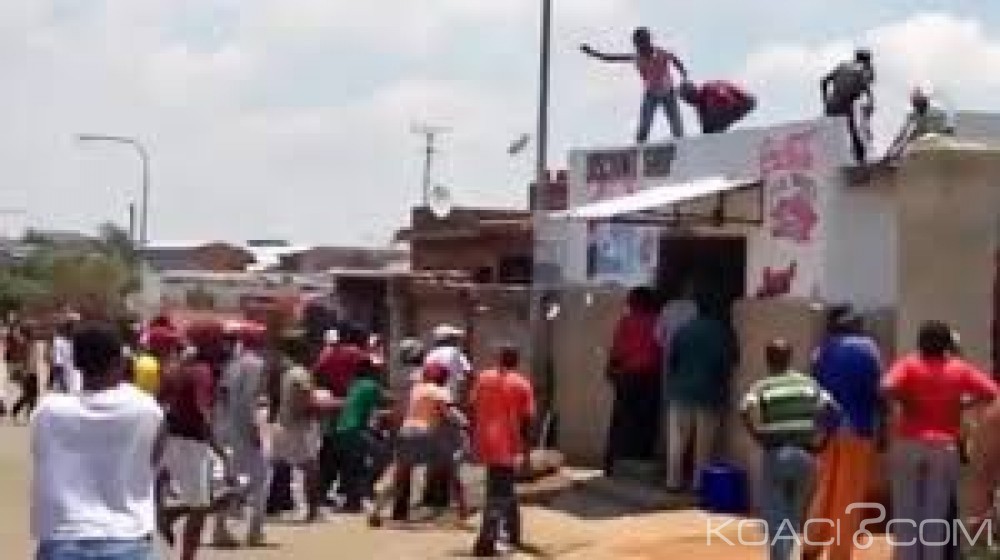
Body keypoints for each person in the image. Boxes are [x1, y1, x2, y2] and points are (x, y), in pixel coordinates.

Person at [31, 321, 164, 560]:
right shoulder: (147, 408)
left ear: (75, 363)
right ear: (120, 362)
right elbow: (154, 461)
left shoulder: (48, 410)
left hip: (63, 538)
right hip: (128, 537)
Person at [882, 321, 998, 560]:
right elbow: (991, 392)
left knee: (906, 512)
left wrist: (907, 401)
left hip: (909, 443)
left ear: (920, 342)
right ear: (947, 344)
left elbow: (886, 387)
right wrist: (962, 404)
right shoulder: (959, 368)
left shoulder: (908, 364)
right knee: (935, 514)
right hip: (943, 447)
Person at [741, 339, 836, 560]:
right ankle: (786, 555)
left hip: (776, 454)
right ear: (790, 358)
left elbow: (744, 409)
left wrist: (757, 435)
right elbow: (832, 409)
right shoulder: (809, 384)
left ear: (767, 359)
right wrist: (823, 441)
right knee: (794, 513)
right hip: (806, 455)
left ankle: (781, 557)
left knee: (775, 512)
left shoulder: (763, 386)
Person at [802, 308, 882, 560]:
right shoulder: (869, 348)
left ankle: (811, 546)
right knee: (849, 493)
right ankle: (838, 552)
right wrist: (883, 429)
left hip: (828, 427)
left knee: (824, 487)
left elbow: (814, 388)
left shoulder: (821, 351)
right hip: (858, 427)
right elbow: (878, 390)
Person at [158, 321, 234, 560]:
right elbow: (204, 412)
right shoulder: (202, 371)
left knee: (208, 499)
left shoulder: (178, 367)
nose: (225, 346)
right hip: (192, 443)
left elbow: (161, 399)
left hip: (171, 437)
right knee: (205, 504)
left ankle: (170, 515)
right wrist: (218, 447)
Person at [369, 362, 470, 528]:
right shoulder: (441, 391)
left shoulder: (416, 389)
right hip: (426, 433)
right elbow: (447, 413)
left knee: (399, 475)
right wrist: (464, 423)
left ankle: (376, 511)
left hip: (406, 432)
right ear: (443, 378)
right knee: (452, 472)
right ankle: (463, 515)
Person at [469, 343, 536, 557]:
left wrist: (474, 436)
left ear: (498, 359)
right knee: (499, 494)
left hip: (485, 443)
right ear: (517, 361)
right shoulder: (522, 384)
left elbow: (472, 407)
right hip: (506, 445)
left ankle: (512, 533)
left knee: (503, 489)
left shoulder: (483, 378)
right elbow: (527, 422)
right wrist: (526, 454)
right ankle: (486, 542)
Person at [664, 294, 736, 491]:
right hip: (710, 394)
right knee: (703, 445)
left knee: (677, 441)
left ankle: (673, 482)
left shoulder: (683, 330)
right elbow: (728, 363)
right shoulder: (722, 333)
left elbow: (673, 361)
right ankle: (698, 484)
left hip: (681, 391)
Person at [212, 326, 272, 548]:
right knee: (262, 478)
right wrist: (254, 429)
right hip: (244, 429)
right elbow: (249, 399)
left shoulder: (232, 364)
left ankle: (220, 528)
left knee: (232, 479)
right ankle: (255, 531)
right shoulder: (255, 364)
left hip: (227, 429)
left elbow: (222, 396)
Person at [581, 27, 689, 142]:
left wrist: (684, 78)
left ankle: (681, 141)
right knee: (644, 124)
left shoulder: (662, 53)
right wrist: (592, 53)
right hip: (651, 95)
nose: (641, 50)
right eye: (638, 46)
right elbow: (610, 58)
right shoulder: (636, 57)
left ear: (648, 42)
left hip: (668, 93)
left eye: (642, 45)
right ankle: (639, 145)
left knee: (676, 125)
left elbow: (677, 62)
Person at [604, 287, 662, 476]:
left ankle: (612, 463)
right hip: (651, 376)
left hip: (628, 376)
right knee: (646, 422)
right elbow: (662, 347)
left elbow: (617, 350)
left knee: (621, 421)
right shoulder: (657, 321)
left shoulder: (626, 322)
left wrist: (611, 370)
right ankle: (640, 461)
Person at [271, 334, 323, 522]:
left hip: (285, 423)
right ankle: (313, 511)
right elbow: (306, 399)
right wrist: (325, 407)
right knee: (311, 468)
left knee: (280, 465)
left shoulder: (287, 373)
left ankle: (273, 504)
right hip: (299, 427)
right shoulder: (300, 374)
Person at [422, 324, 473, 508]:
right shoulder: (456, 354)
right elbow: (468, 375)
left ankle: (430, 493)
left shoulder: (429, 356)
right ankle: (447, 494)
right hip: (449, 405)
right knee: (457, 449)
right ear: (450, 339)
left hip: (430, 405)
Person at [821, 48, 875, 163]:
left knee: (836, 134)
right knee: (854, 132)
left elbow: (824, 81)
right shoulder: (862, 70)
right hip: (845, 104)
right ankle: (861, 160)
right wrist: (871, 103)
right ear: (866, 61)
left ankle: (837, 158)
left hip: (831, 104)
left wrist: (825, 100)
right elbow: (867, 90)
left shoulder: (842, 66)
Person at [883, 87, 955, 162]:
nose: (917, 105)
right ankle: (894, 158)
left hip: (937, 137)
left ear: (925, 101)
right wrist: (891, 149)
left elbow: (945, 128)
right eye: (915, 102)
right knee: (910, 137)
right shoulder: (913, 115)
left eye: (919, 101)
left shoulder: (937, 112)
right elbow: (902, 132)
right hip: (922, 136)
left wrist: (947, 130)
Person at [678, 79, 756, 134]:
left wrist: (717, 127)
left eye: (687, 99)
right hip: (730, 104)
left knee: (712, 118)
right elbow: (704, 124)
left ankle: (719, 135)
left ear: (693, 92)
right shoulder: (699, 103)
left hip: (745, 101)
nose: (688, 103)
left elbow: (728, 100)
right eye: (685, 100)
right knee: (709, 123)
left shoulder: (709, 91)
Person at [49, 320, 79, 393]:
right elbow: (57, 361)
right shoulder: (59, 341)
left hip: (74, 374)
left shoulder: (75, 341)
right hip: (63, 373)